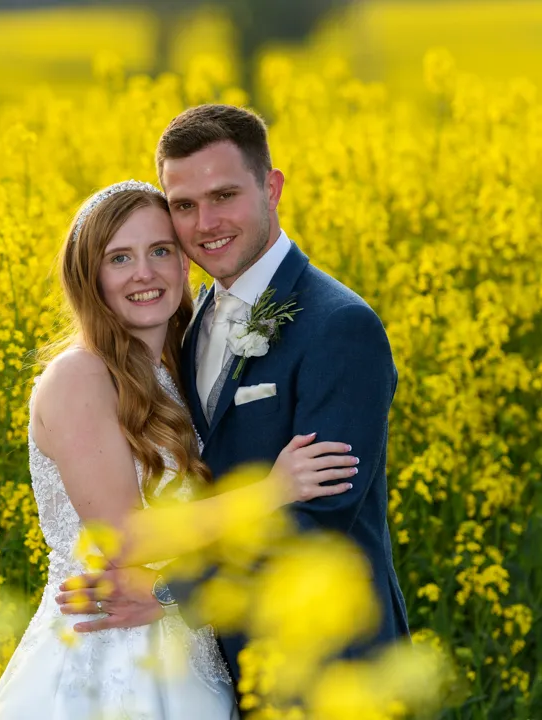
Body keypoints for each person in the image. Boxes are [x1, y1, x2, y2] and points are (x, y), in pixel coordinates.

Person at [57, 106, 410, 687]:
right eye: (185, 205)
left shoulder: (339, 326)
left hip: (328, 663)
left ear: (271, 188)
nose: (205, 222)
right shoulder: (187, 324)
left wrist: (171, 593)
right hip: (222, 664)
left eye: (224, 196)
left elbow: (319, 520)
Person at [0, 180, 358, 719]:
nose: (145, 272)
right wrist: (273, 491)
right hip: (107, 655)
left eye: (160, 250)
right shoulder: (78, 376)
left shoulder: (177, 370)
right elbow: (126, 536)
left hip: (184, 639)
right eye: (120, 258)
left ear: (185, 263)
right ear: (90, 278)